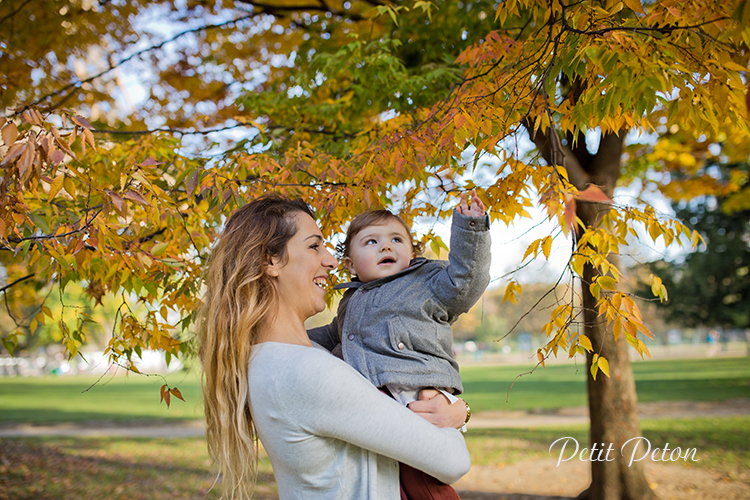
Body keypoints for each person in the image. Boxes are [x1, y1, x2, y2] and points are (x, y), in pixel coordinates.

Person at [198, 195, 471, 500]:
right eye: (314, 246)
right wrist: (456, 410)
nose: (329, 260)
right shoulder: (307, 371)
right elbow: (453, 461)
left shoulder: (273, 358)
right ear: (270, 261)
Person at [308, 190, 491, 499]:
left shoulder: (426, 283)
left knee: (424, 481)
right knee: (386, 480)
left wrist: (469, 227)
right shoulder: (351, 301)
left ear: (411, 252)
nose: (386, 246)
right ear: (350, 265)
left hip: (414, 391)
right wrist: (286, 335)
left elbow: (467, 279)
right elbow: (332, 336)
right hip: (373, 398)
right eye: (371, 241)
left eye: (396, 240)